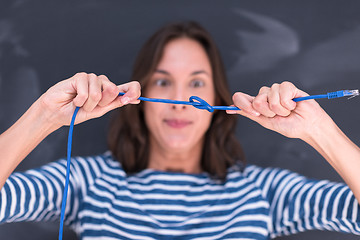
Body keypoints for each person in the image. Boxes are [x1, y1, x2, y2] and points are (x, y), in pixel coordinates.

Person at [0, 21, 359, 239]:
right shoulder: (84, 181)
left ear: (218, 99)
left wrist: (318, 130)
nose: (179, 101)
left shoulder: (264, 191)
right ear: (138, 94)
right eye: (162, 81)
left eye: (197, 84)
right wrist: (44, 115)